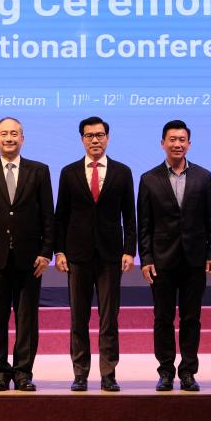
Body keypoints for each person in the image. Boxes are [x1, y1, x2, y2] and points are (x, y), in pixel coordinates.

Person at [0, 117, 54, 392]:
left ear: (23, 139)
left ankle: (23, 373)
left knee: (28, 320)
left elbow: (47, 216)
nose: (9, 138)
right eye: (4, 134)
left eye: (14, 134)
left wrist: (45, 252)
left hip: (31, 261)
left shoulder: (39, 171)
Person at [54, 116, 136, 392]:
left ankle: (108, 373)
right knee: (78, 318)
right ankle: (80, 373)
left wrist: (129, 250)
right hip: (77, 255)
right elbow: (61, 215)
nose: (95, 140)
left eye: (100, 135)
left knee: (109, 318)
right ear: (82, 139)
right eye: (89, 135)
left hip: (111, 255)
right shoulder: (69, 172)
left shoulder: (122, 172)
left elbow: (130, 215)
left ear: (108, 138)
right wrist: (59, 250)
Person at [137, 119, 211, 392]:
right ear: (163, 143)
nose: (177, 144)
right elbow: (144, 225)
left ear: (189, 144)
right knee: (162, 318)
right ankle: (165, 372)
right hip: (161, 261)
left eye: (182, 139)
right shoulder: (149, 179)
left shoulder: (203, 176)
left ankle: (188, 372)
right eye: (172, 139)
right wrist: (146, 258)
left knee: (191, 318)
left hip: (195, 259)